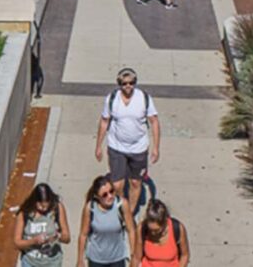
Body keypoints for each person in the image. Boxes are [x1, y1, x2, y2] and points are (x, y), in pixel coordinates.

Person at [95, 68, 161, 215]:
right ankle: (120, 207)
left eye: (132, 83)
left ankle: (129, 213)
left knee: (135, 182)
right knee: (118, 184)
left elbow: (154, 122)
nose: (128, 86)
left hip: (139, 148)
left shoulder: (144, 98)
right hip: (116, 147)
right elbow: (104, 121)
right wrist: (98, 145)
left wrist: (156, 148)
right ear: (119, 84)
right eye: (125, 83)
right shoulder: (112, 99)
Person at [77, 174, 136, 267]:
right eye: (104, 195)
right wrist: (80, 259)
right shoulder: (90, 208)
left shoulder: (122, 204)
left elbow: (131, 230)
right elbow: (83, 234)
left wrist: (133, 255)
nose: (110, 196)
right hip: (96, 259)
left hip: (118, 258)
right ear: (97, 197)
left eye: (111, 191)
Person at [14, 183, 71, 267]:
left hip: (52, 262)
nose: (44, 209)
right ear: (34, 201)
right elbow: (17, 242)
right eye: (40, 205)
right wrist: (33, 241)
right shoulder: (24, 213)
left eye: (46, 206)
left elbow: (67, 238)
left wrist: (57, 236)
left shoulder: (57, 208)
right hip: (30, 262)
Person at [131, 199, 189, 267]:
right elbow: (136, 258)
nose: (152, 233)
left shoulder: (177, 228)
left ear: (165, 222)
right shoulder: (142, 228)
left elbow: (184, 255)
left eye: (156, 230)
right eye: (150, 229)